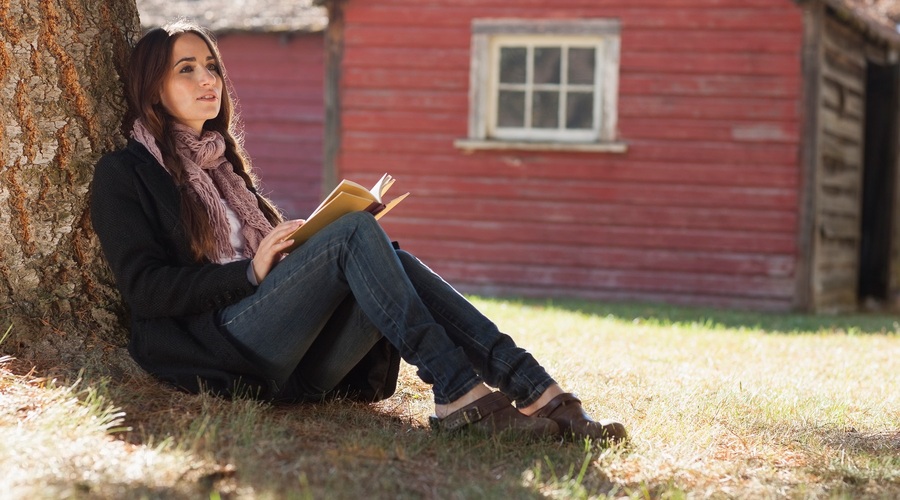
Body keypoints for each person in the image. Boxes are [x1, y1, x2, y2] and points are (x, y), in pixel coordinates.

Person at [90, 20, 627, 444]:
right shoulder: (126, 173)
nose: (208, 80)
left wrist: (292, 252)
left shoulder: (225, 167)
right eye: (187, 70)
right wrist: (251, 272)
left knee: (384, 252)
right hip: (220, 352)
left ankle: (537, 391)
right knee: (351, 236)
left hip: (298, 360)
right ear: (153, 90)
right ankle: (460, 391)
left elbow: (283, 273)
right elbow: (145, 290)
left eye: (212, 66)